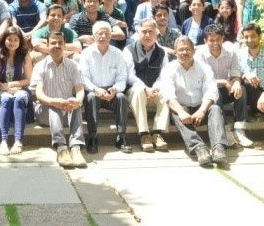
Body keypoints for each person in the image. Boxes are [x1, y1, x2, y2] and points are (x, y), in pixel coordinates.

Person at [160, 36, 228, 167]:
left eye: (187, 49)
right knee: (177, 112)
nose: (184, 53)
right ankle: (199, 148)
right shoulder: (169, 69)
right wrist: (181, 112)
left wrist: (202, 111)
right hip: (183, 108)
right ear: (175, 52)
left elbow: (211, 91)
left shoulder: (205, 68)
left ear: (193, 51)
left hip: (201, 107)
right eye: (181, 50)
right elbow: (168, 94)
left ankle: (219, 148)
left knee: (215, 109)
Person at [31, 32, 87, 168]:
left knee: (76, 103)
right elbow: (39, 95)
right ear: (48, 45)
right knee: (54, 105)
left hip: (66, 110)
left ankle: (75, 147)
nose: (57, 46)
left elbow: (80, 90)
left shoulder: (73, 65)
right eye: (53, 43)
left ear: (65, 45)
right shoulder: (40, 66)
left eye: (60, 43)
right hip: (44, 111)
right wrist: (55, 102)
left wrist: (77, 101)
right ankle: (61, 147)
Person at [195, 24, 251, 148]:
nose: (215, 43)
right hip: (207, 92)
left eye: (218, 39)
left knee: (241, 88)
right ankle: (225, 129)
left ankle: (239, 129)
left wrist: (236, 82)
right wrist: (224, 82)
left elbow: (236, 72)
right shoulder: (200, 54)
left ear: (223, 39)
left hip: (227, 88)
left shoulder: (231, 52)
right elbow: (202, 80)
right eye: (211, 40)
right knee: (215, 92)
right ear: (205, 41)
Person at [80, 22, 131, 154]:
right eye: (99, 33)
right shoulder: (86, 53)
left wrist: (115, 89)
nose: (103, 36)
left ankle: (121, 137)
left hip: (111, 92)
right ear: (93, 35)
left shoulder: (118, 53)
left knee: (121, 97)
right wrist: (96, 89)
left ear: (111, 36)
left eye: (106, 33)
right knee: (91, 97)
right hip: (93, 91)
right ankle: (92, 138)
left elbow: (122, 77)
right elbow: (83, 78)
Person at [124, 19, 170, 152]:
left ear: (157, 33)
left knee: (166, 92)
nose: (148, 35)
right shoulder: (129, 50)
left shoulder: (162, 52)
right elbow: (129, 76)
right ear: (138, 33)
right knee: (138, 91)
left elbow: (164, 75)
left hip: (155, 89)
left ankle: (157, 133)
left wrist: (155, 87)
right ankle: (144, 134)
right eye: (144, 31)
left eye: (151, 32)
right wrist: (145, 88)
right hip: (136, 90)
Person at [0, 27, 32, 155]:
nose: (12, 42)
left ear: (20, 41)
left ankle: (18, 140)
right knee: (5, 99)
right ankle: (3, 141)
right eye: (9, 39)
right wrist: (4, 87)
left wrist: (10, 85)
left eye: (16, 40)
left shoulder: (25, 55)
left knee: (19, 98)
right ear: (4, 40)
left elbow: (28, 80)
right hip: (1, 89)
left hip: (20, 88)